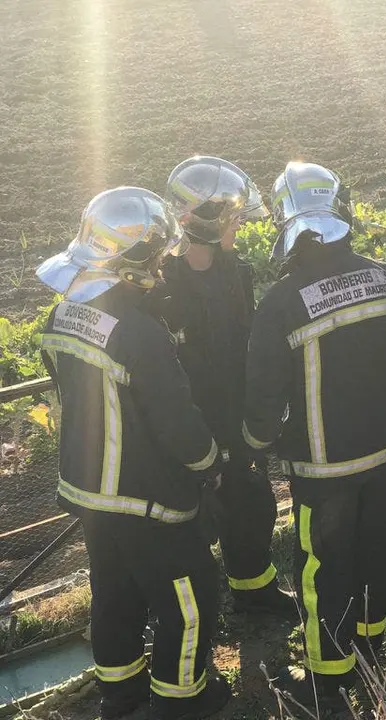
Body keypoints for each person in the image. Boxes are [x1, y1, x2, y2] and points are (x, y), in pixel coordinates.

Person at [242, 162, 386, 716]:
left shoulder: (280, 303)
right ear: (342, 211)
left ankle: (327, 681)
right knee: (375, 552)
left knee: (323, 568)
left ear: (286, 223)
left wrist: (255, 444)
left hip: (323, 473)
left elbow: (262, 399)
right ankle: (370, 647)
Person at [35, 187, 230, 719]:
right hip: (145, 498)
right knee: (189, 598)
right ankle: (182, 700)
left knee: (115, 594)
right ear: (136, 261)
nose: (162, 266)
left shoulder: (62, 314)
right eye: (158, 257)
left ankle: (121, 696)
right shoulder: (141, 334)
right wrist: (210, 463)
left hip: (89, 492)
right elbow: (176, 420)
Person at [156, 156, 297, 619]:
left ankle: (253, 590)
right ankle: (194, 614)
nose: (240, 225)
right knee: (191, 523)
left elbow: (246, 341)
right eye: (233, 218)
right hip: (189, 424)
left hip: (235, 415)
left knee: (252, 506)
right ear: (207, 222)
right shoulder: (163, 286)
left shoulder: (238, 271)